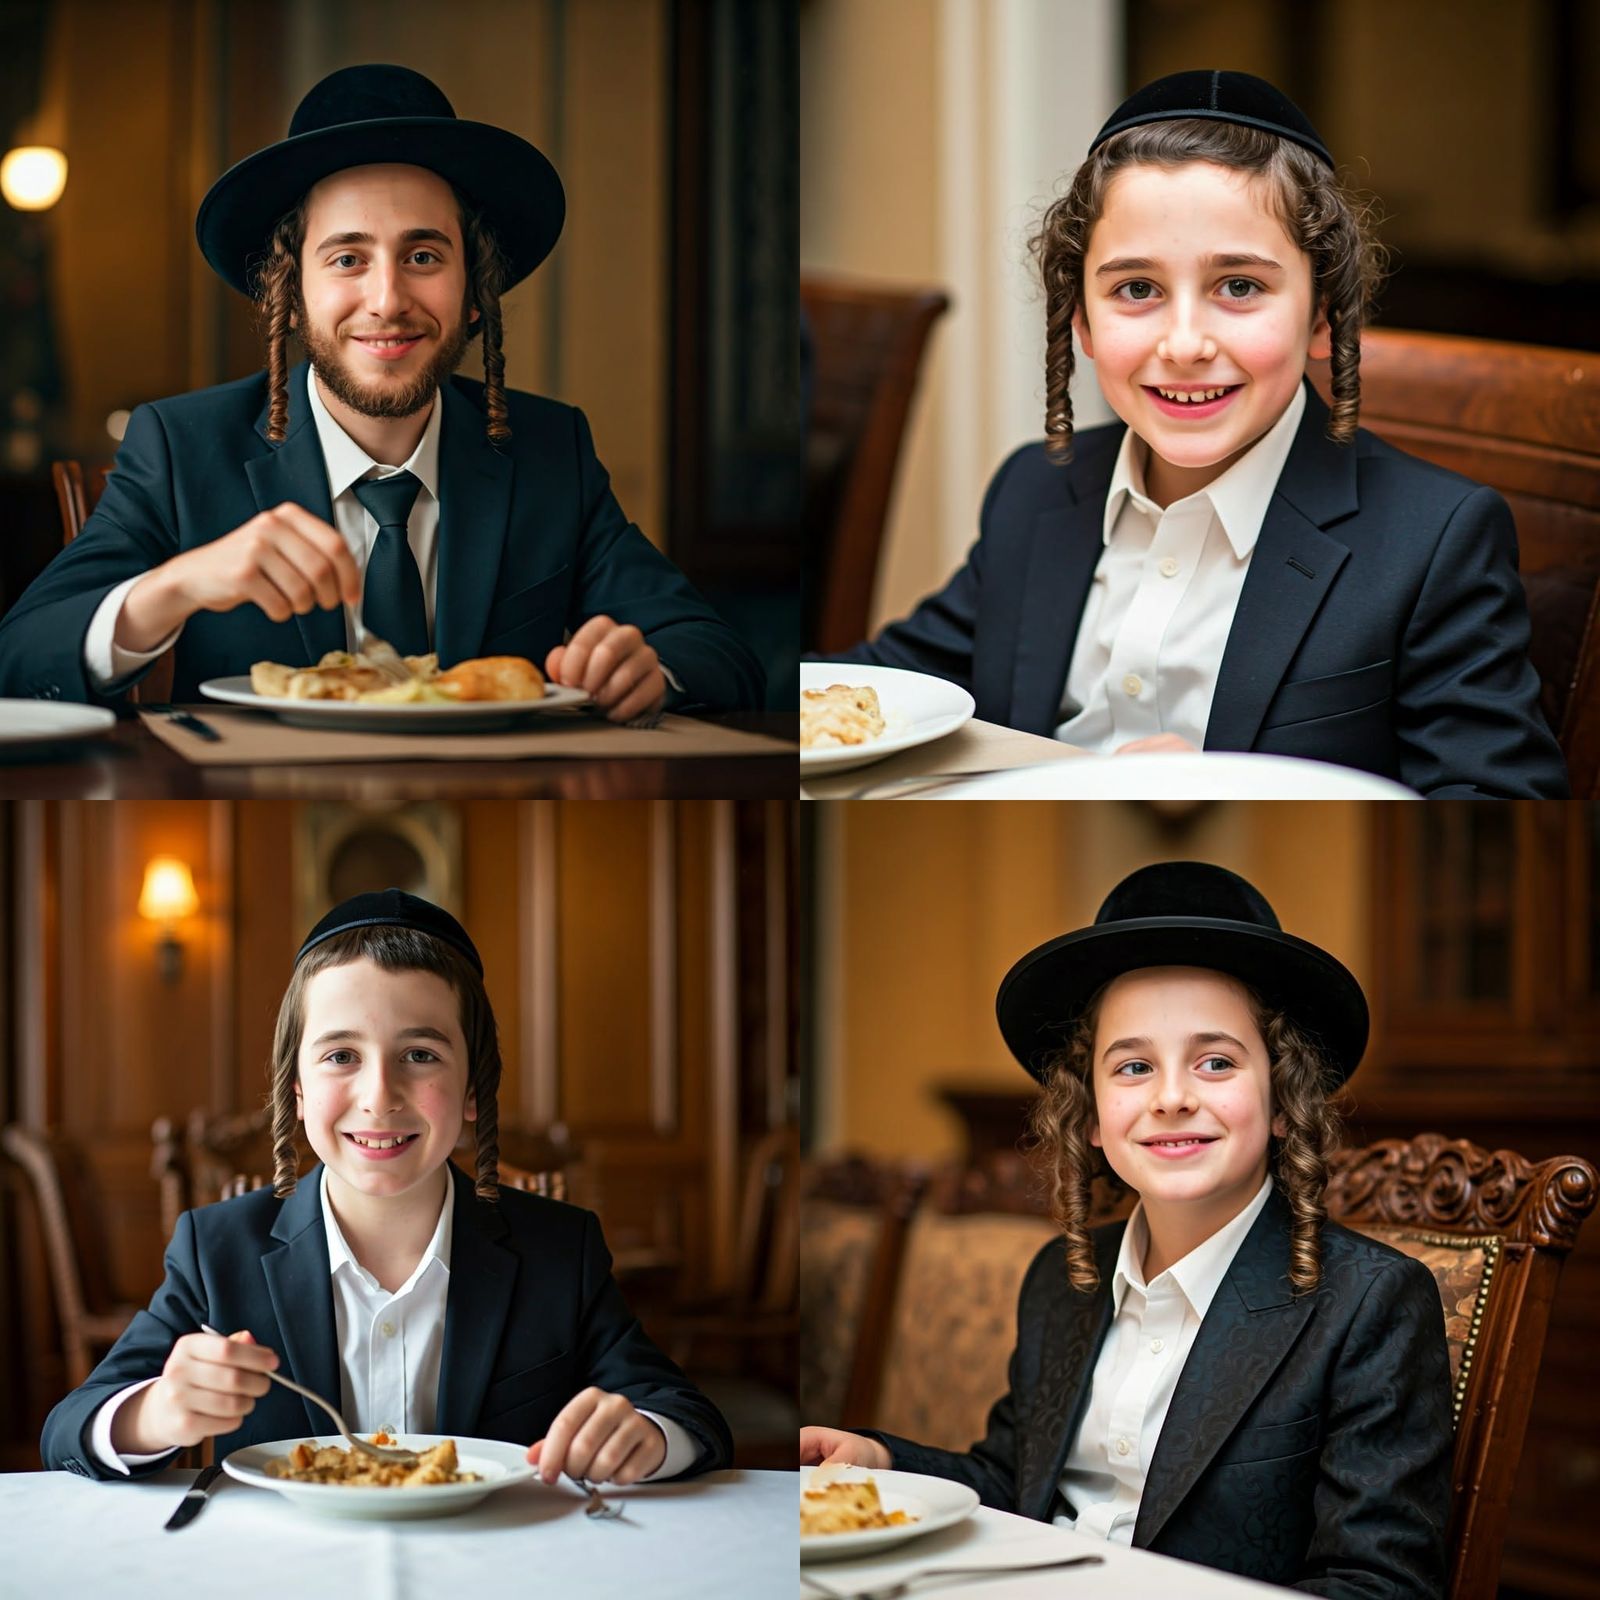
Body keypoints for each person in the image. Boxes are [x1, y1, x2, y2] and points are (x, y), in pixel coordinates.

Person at [823, 70, 1565, 796]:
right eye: (1136, 289)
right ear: (1080, 319)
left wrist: (1240, 790)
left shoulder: (1436, 542)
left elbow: (1497, 795)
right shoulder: (1034, 490)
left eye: (1239, 286)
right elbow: (874, 696)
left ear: (1322, 316)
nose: (1183, 343)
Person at [0, 64, 765, 722]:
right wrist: (172, 586)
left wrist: (649, 670)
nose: (388, 299)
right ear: (290, 296)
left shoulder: (549, 450)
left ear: (474, 293)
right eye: (347, 259)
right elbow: (19, 658)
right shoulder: (178, 447)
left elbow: (719, 653)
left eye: (424, 255)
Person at [801, 861, 1454, 1596]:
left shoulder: (1371, 1304)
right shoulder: (1063, 1277)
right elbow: (1015, 1483)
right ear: (1092, 1119)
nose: (1172, 1098)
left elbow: (1378, 1584)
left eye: (1215, 1062)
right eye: (1134, 1066)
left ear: (1281, 1102)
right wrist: (884, 1464)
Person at [42, 889, 731, 1485]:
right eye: (342, 1056)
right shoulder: (215, 1248)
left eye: (420, 1055)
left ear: (472, 1090)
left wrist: (647, 1435)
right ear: (299, 1091)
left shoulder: (561, 1248)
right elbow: (68, 1428)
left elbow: (688, 1414)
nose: (379, 1096)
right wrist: (156, 1412)